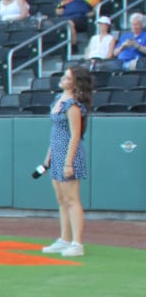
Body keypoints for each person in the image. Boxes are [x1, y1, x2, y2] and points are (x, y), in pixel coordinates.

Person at [38, 66, 90, 257]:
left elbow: (75, 135)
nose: (63, 79)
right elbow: (56, 133)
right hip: (57, 154)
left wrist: (68, 163)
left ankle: (77, 243)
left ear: (75, 83)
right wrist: (48, 158)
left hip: (70, 155)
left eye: (68, 78)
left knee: (72, 199)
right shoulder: (57, 100)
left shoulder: (73, 105)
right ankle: (64, 239)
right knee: (61, 199)